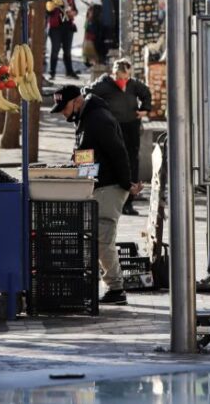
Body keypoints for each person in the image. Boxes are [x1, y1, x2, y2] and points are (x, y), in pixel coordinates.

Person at [51, 85, 138, 306]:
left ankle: (116, 288)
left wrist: (127, 184)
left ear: (77, 101)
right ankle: (111, 285)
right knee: (99, 237)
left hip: (109, 186)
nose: (63, 113)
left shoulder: (97, 118)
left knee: (102, 239)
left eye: (64, 107)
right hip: (99, 185)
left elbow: (118, 152)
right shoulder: (86, 117)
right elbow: (89, 152)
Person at [88, 59, 153, 216]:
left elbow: (146, 93)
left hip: (131, 126)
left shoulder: (133, 84)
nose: (123, 82)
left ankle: (129, 201)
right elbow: (87, 93)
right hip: (112, 128)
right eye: (119, 78)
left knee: (132, 161)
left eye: (126, 78)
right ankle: (102, 195)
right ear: (113, 74)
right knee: (112, 159)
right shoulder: (104, 83)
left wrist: (145, 109)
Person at [46, 0, 79, 80]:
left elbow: (76, 10)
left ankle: (69, 72)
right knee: (55, 50)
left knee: (67, 51)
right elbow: (48, 12)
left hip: (68, 26)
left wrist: (72, 13)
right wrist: (56, 6)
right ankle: (52, 73)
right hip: (56, 27)